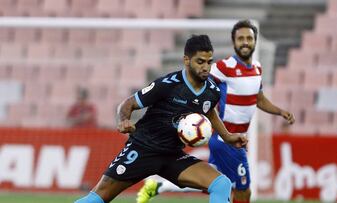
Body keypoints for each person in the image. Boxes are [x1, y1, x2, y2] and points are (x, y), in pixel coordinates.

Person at [74, 34, 248, 203]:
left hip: (172, 156)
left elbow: (209, 110)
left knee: (221, 184)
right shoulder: (167, 85)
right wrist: (123, 121)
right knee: (100, 196)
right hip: (144, 149)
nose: (206, 67)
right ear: (187, 60)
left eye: (209, 62)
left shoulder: (212, 90)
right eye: (200, 62)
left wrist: (227, 136)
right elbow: (128, 104)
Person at [136, 20, 295, 203]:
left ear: (255, 41)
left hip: (237, 137)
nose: (245, 42)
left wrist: (279, 111)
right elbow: (198, 83)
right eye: (240, 38)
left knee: (213, 183)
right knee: (243, 191)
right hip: (225, 137)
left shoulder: (257, 68)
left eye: (249, 38)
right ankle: (158, 185)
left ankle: (158, 186)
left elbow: (258, 98)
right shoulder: (223, 67)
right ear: (233, 42)